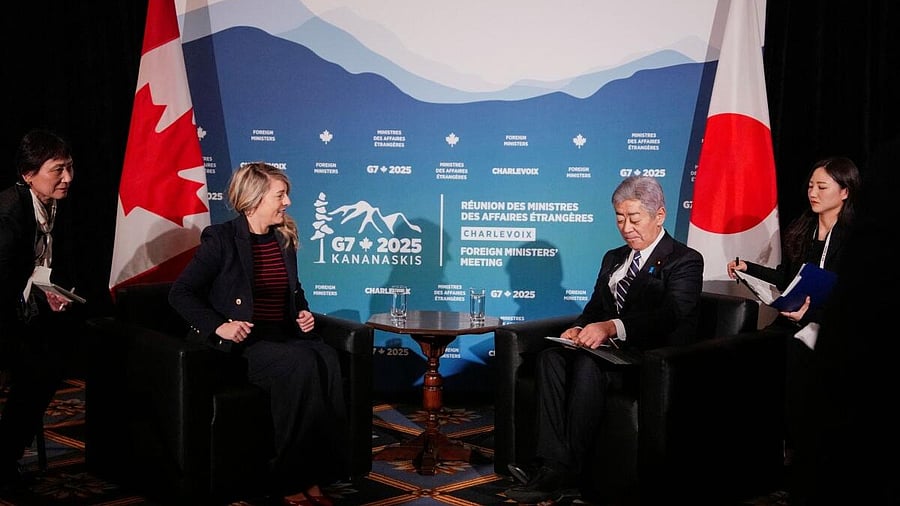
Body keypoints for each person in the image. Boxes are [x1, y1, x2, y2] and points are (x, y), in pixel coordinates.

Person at [504, 175, 704, 504]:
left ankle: (566, 470)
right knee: (550, 358)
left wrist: (612, 327)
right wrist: (580, 327)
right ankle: (554, 465)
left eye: (634, 218)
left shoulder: (684, 260)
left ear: (660, 215)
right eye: (619, 218)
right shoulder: (613, 257)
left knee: (585, 364)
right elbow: (595, 308)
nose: (626, 227)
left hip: (650, 358)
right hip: (607, 352)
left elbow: (671, 315)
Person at [168, 162, 348, 506]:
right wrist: (219, 325)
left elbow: (292, 292)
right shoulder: (221, 239)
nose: (288, 202)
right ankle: (290, 479)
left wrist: (302, 313)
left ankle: (317, 473)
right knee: (299, 362)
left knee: (325, 355)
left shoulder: (283, 237)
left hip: (279, 335)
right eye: (280, 195)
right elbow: (181, 293)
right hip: (240, 343)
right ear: (254, 200)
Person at [726, 156, 861, 505]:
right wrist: (749, 269)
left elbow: (856, 294)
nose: (812, 193)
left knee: (796, 366)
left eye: (822, 187)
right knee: (749, 350)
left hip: (827, 328)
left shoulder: (854, 236)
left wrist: (815, 310)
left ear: (844, 192)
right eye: (811, 185)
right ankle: (760, 461)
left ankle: (798, 468)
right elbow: (789, 279)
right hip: (792, 321)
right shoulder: (803, 228)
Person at [0, 129, 79, 491]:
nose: (67, 178)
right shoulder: (9, 212)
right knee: (35, 367)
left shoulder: (50, 204)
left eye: (69, 168)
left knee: (49, 366)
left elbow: (34, 266)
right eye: (57, 170)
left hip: (20, 313)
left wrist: (47, 291)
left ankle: (6, 454)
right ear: (28, 174)